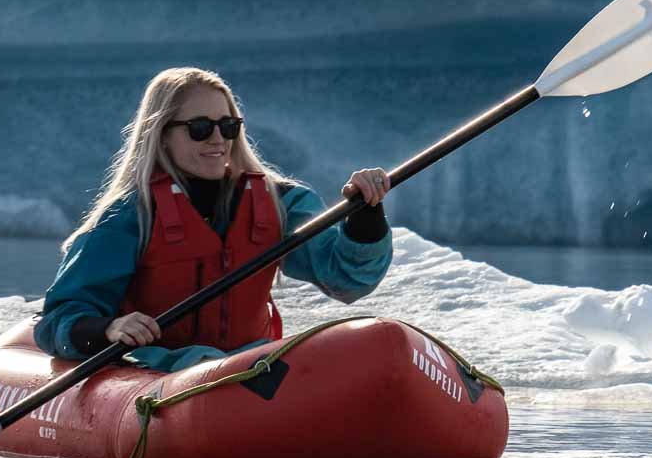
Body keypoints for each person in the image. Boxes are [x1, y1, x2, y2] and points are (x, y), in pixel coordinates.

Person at [34, 66, 393, 372]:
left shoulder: (281, 202)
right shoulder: (129, 217)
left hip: (251, 369)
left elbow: (347, 279)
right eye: (201, 128)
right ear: (161, 136)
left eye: (229, 126)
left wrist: (366, 214)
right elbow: (58, 319)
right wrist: (109, 329)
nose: (218, 139)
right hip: (160, 370)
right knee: (200, 362)